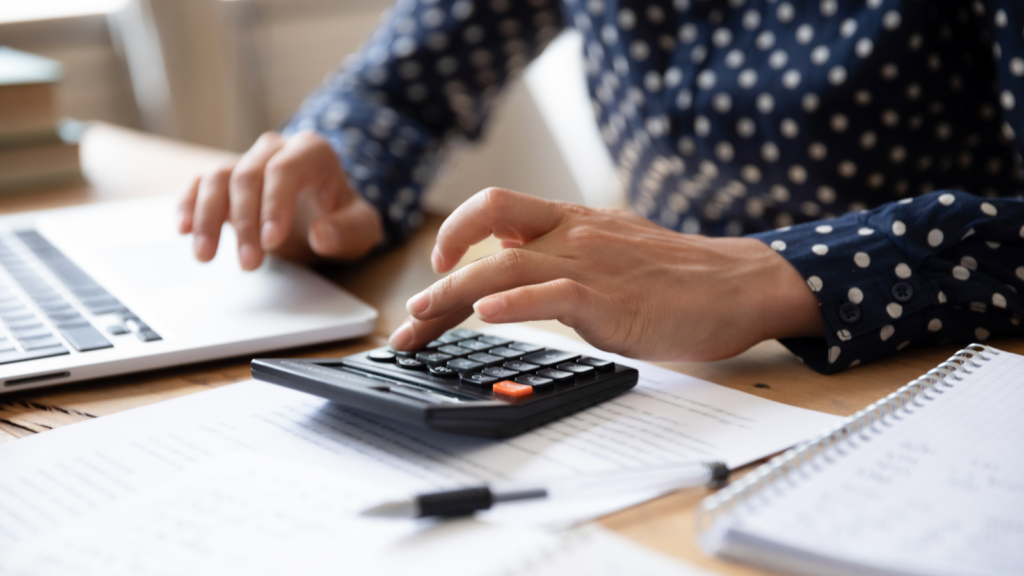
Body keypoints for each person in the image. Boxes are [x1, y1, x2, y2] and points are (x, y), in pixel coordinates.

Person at [178, 0, 1023, 373]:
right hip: (686, 375)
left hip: (944, 374)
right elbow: (399, 90)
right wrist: (340, 184)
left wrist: (778, 271)